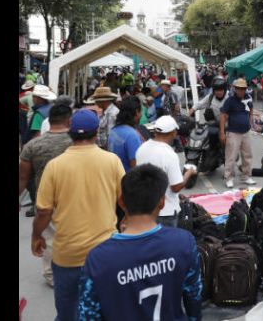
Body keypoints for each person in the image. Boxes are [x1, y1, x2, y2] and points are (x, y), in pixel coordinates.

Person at [32, 109, 125, 321]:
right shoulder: (112, 161)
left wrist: (36, 236)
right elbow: (125, 199)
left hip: (67, 255)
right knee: (106, 307)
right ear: (96, 132)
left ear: (70, 132)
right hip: (105, 252)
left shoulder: (55, 166)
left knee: (68, 311)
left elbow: (44, 211)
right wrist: (126, 220)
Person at [77, 164, 202, 320]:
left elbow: (88, 314)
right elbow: (194, 296)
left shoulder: (98, 258)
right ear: (162, 202)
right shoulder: (184, 242)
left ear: (121, 201)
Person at [19, 104, 74, 284]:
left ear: (49, 120)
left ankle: (51, 275)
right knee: (72, 234)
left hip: (45, 196)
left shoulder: (32, 145)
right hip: (72, 195)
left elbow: (23, 177)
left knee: (50, 237)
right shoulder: (75, 142)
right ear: (69, 120)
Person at [135, 116, 196, 227]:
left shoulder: (142, 148)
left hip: (145, 209)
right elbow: (176, 187)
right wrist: (188, 173)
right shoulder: (169, 155)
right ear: (173, 133)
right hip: (166, 212)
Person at [219, 78, 256, 189]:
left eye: (243, 89)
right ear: (235, 89)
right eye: (239, 89)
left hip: (246, 131)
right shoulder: (229, 100)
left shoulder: (248, 99)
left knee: (247, 155)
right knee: (231, 156)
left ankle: (246, 176)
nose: (241, 91)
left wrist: (250, 123)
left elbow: (251, 111)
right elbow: (223, 116)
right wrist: (222, 132)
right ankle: (228, 178)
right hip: (233, 132)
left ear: (245, 89)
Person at [108, 97, 144, 173]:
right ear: (137, 112)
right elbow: (135, 169)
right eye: (141, 111)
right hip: (127, 180)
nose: (141, 115)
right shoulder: (132, 135)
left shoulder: (113, 131)